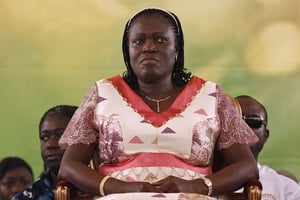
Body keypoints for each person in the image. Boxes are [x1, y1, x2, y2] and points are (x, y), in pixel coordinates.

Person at [58, 7, 259, 200]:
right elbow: (69, 166)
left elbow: (246, 166)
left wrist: (196, 185)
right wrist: (123, 188)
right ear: (127, 50)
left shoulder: (210, 95)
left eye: (161, 39)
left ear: (177, 49)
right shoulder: (102, 93)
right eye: (138, 41)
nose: (149, 47)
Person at [235, 95, 300, 199]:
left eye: (253, 121)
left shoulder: (287, 190)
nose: (243, 128)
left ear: (265, 135)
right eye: (233, 121)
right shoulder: (203, 181)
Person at [13, 105, 78, 200]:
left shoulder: (102, 188)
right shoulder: (25, 198)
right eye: (45, 137)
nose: (49, 145)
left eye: (60, 135)